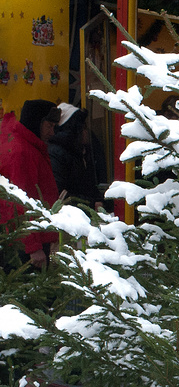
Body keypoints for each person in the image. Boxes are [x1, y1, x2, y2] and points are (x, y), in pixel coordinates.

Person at [0, 99, 62, 269]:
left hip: (31, 237)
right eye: (49, 126)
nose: (52, 132)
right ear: (37, 122)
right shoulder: (23, 151)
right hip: (26, 244)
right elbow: (19, 202)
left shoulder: (29, 146)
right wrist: (32, 247)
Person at [48, 104, 104, 210]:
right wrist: (91, 204)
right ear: (73, 131)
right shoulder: (56, 154)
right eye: (83, 128)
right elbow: (60, 194)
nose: (86, 132)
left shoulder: (81, 152)